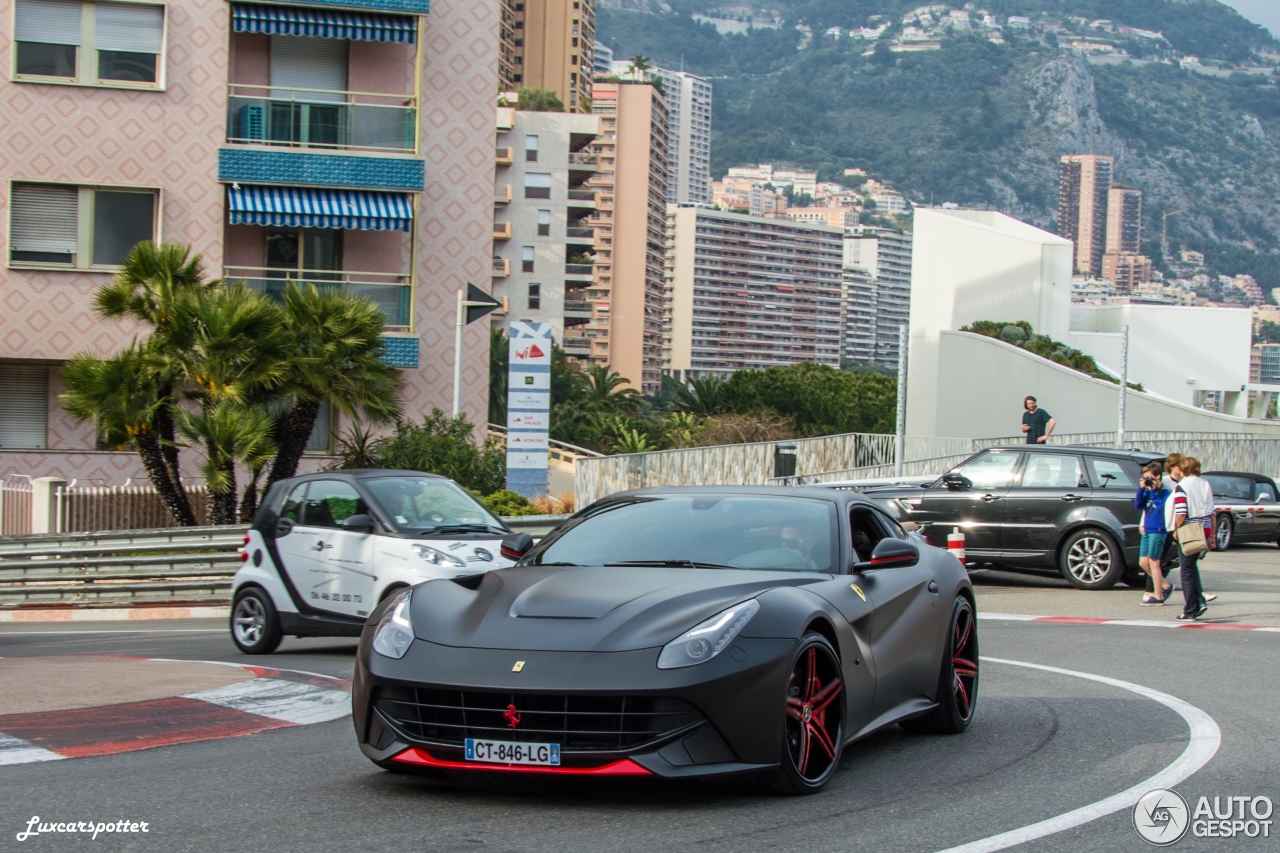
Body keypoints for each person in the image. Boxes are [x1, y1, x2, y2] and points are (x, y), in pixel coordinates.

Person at [1167, 456, 1217, 621]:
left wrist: (1176, 529)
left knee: (1186, 570)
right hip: (1204, 528)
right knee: (1192, 566)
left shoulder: (1182, 486)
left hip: (1189, 530)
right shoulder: (1205, 484)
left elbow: (1181, 512)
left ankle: (1190, 609)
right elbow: (1211, 511)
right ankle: (1199, 601)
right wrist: (1212, 536)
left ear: (1182, 469)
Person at [1133, 462, 1172, 605]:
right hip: (1148, 528)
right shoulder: (1147, 491)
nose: (1148, 481)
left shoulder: (1166, 492)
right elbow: (1138, 505)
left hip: (1158, 529)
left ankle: (1159, 595)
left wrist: (1154, 491)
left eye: (1150, 478)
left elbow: (1162, 507)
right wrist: (1141, 489)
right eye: (1145, 478)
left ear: (1158, 477)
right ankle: (1166, 585)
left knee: (1154, 562)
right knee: (1143, 562)